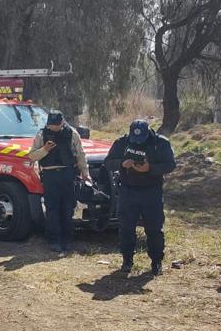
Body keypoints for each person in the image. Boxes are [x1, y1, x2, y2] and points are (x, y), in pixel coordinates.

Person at [105, 119, 176, 275]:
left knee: (154, 229)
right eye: (135, 139)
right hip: (128, 191)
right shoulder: (122, 143)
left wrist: (150, 168)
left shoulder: (160, 143)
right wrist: (122, 163)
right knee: (126, 229)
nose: (137, 142)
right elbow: (108, 162)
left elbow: (170, 164)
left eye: (141, 139)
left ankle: (156, 262)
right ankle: (127, 261)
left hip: (151, 191)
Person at [28, 111, 90, 254]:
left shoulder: (72, 134)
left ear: (62, 122)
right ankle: (53, 240)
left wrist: (85, 173)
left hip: (67, 174)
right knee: (52, 209)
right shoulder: (41, 135)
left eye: (56, 125)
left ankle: (67, 240)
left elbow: (80, 154)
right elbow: (32, 156)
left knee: (68, 209)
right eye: (51, 125)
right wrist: (45, 149)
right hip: (50, 175)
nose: (54, 128)